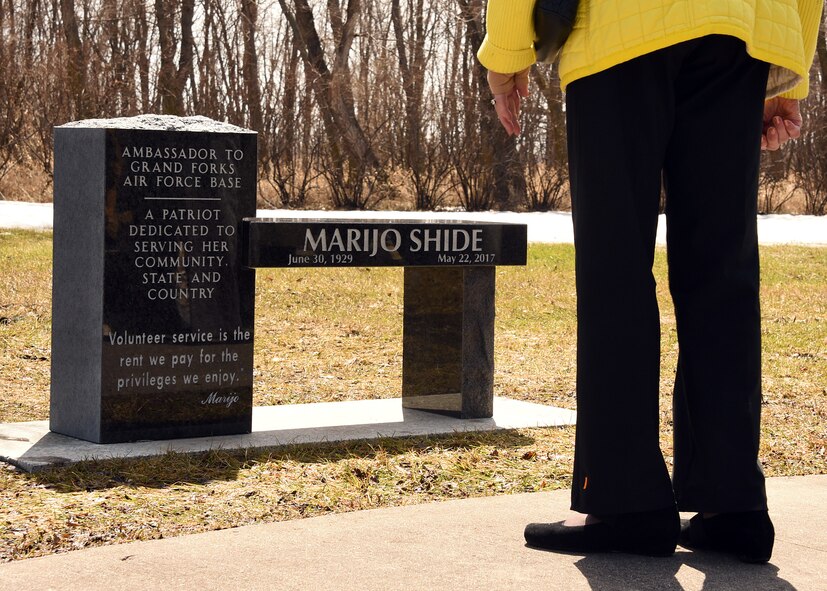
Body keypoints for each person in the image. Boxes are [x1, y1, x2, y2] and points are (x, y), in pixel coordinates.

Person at [478, 0, 823, 563]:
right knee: (723, 270)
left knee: (615, 267)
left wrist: (508, 48)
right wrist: (790, 64)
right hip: (738, 31)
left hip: (620, 29)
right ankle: (732, 505)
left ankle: (626, 504)